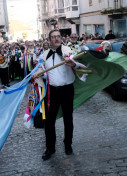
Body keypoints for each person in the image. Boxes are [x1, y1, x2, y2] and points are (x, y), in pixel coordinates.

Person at [33, 29, 79, 161]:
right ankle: (50, 148)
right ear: (49, 40)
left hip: (67, 90)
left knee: (68, 119)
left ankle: (68, 145)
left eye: (58, 36)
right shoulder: (44, 55)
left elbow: (80, 67)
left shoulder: (69, 51)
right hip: (52, 91)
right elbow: (40, 68)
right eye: (53, 37)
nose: (56, 39)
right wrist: (37, 73)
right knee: (49, 121)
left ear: (61, 38)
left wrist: (73, 64)